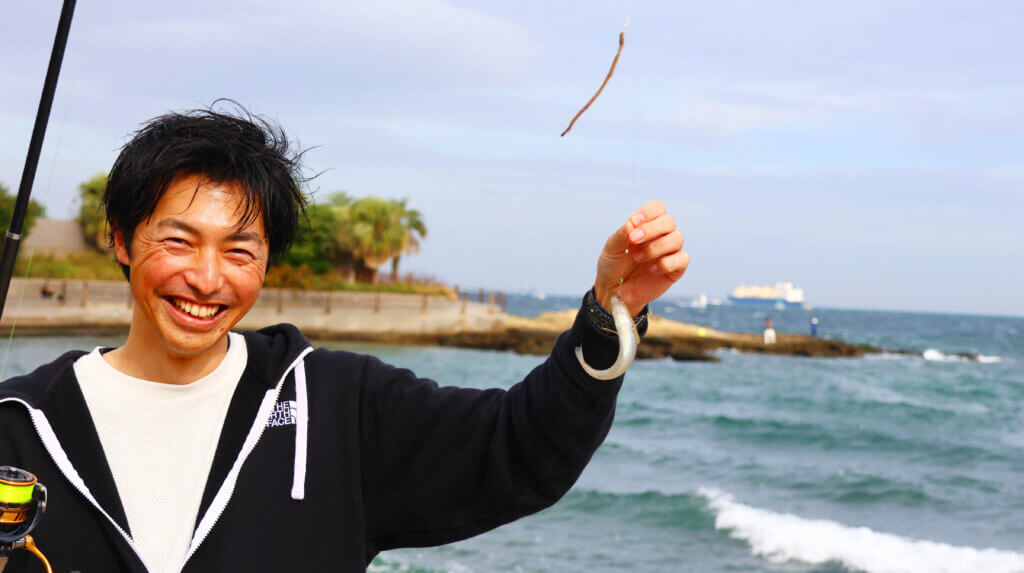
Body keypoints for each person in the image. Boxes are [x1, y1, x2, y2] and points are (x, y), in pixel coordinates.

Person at [0, 106, 689, 572]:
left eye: (239, 251)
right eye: (178, 241)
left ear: (268, 261)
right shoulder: (18, 427)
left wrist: (609, 313)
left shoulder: (337, 405)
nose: (206, 278)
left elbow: (520, 448)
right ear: (121, 238)